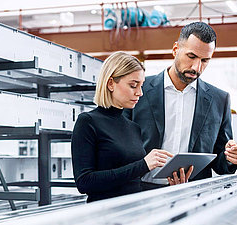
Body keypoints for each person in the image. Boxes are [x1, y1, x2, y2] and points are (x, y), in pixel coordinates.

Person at [124, 22, 237, 190]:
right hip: (140, 192)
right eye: (191, 56)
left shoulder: (220, 99)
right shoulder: (139, 91)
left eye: (205, 60)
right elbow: (119, 150)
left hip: (193, 194)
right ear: (175, 50)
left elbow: (220, 163)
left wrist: (230, 158)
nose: (197, 67)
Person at [71, 51, 173, 202]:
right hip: (104, 215)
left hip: (133, 212)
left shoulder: (133, 128)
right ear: (111, 83)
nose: (140, 93)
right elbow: (85, 182)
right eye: (133, 85)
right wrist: (143, 165)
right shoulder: (87, 122)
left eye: (141, 86)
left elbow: (132, 185)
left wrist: (172, 188)